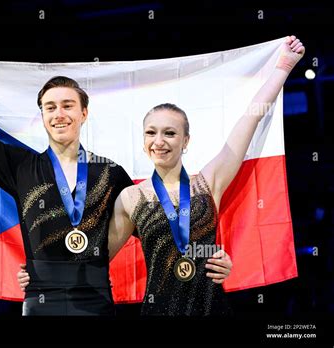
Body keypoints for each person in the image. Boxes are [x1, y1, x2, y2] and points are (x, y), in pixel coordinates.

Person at [0, 52, 233, 316]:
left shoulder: (110, 174)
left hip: (96, 301)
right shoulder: (20, 167)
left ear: (84, 113)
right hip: (40, 299)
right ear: (42, 116)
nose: (58, 113)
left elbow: (163, 227)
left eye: (67, 105)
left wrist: (208, 256)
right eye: (50, 107)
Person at [105, 35, 304, 315]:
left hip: (212, 309)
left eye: (170, 133)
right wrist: (40, 274)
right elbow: (96, 260)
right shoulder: (131, 197)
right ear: (143, 140)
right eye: (151, 132)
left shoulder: (207, 183)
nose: (159, 141)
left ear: (186, 141)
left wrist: (284, 65)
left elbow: (250, 118)